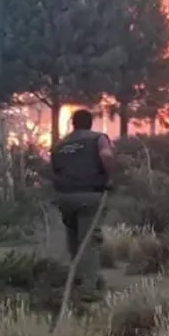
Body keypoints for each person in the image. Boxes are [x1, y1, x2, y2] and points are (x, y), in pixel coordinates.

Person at [50, 109, 117, 299]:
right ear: (90, 123)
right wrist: (111, 176)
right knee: (89, 241)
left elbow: (54, 169)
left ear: (73, 123)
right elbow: (107, 156)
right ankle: (89, 289)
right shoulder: (98, 139)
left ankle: (79, 279)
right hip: (90, 195)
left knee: (73, 240)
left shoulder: (60, 144)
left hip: (64, 197)